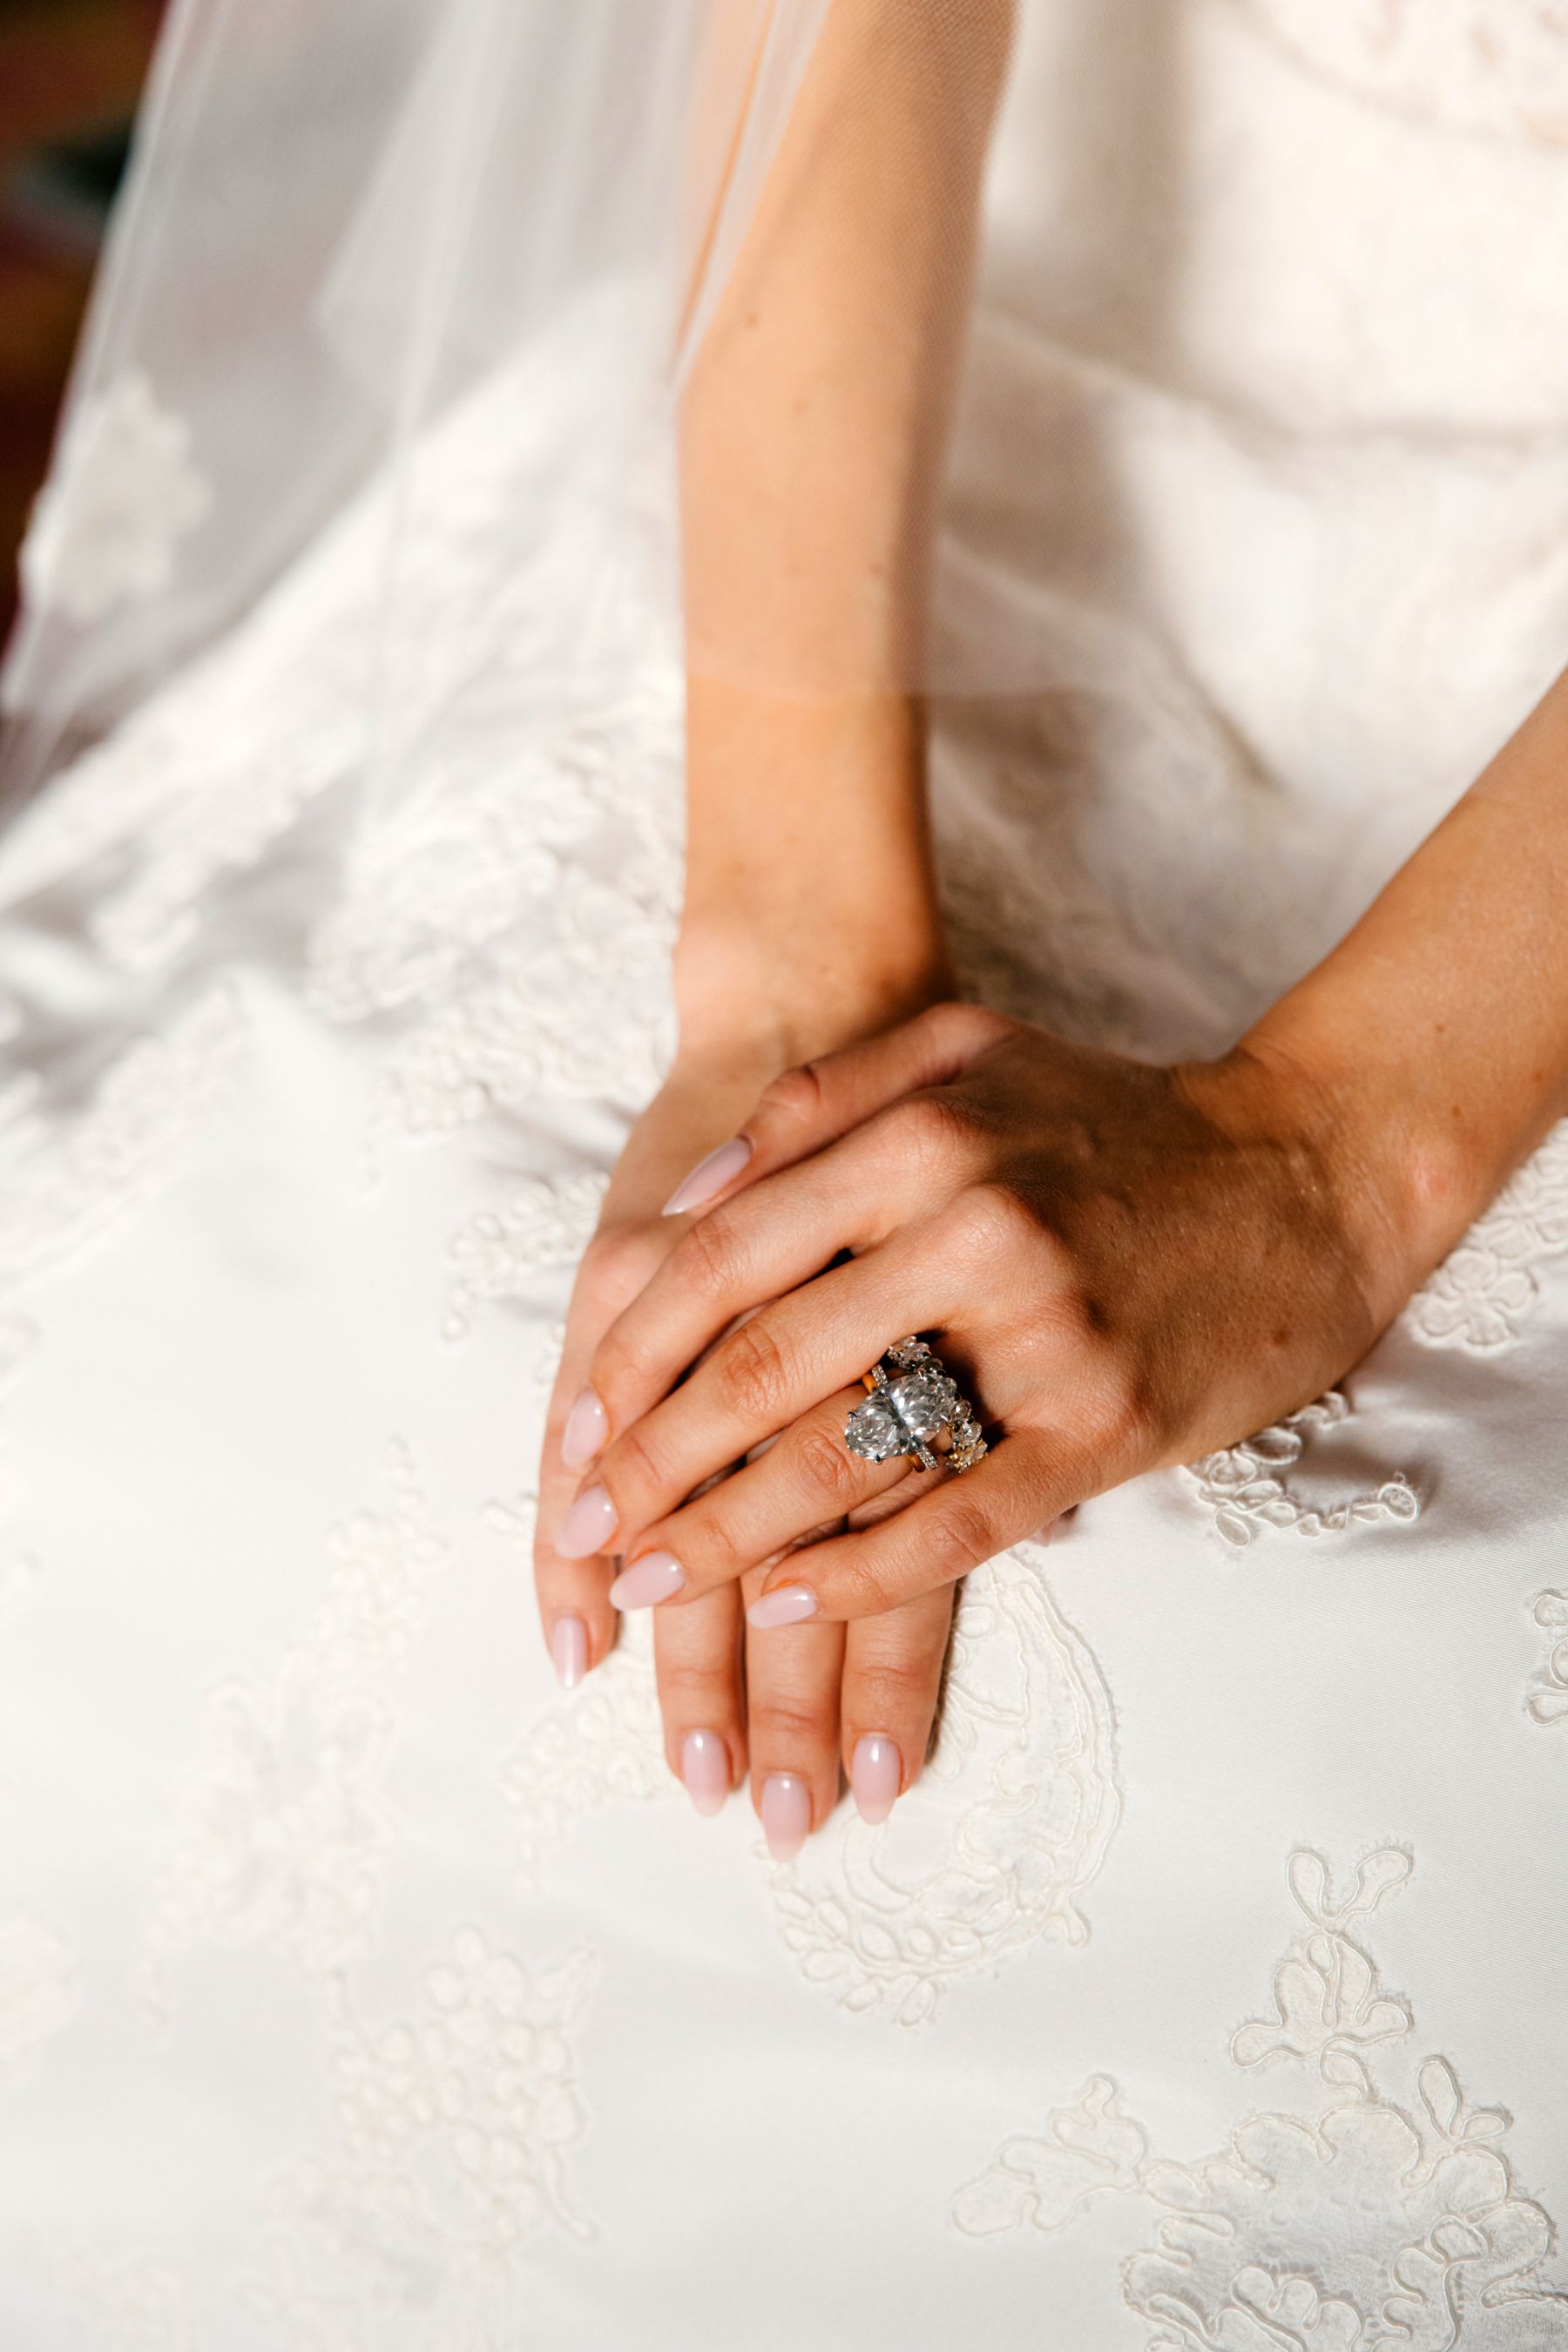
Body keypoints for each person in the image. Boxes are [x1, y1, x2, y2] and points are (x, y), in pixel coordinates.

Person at [2, 2, 1566, 2342]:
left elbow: (1334, 1164)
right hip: (923, 346)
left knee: (1336, 1791)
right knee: (206, 1427)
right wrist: (784, 956)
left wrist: (1336, 1152)